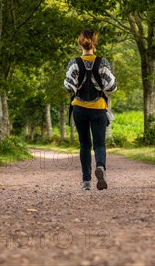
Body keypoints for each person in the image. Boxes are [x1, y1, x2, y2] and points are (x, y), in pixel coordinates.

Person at [64, 29, 117, 191]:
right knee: (99, 144)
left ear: (80, 42)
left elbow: (68, 87)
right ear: (94, 43)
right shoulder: (102, 62)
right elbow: (112, 87)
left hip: (79, 109)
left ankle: (86, 181)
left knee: (85, 144)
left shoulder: (74, 63)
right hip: (98, 108)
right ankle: (100, 168)